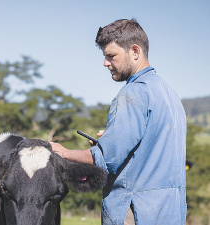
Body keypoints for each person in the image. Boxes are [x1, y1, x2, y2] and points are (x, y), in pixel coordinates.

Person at [50, 18, 187, 225]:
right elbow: (149, 152)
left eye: (111, 56)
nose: (105, 63)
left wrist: (62, 152)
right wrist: (110, 140)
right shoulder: (169, 93)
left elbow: (106, 159)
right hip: (171, 212)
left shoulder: (133, 93)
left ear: (134, 51)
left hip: (136, 212)